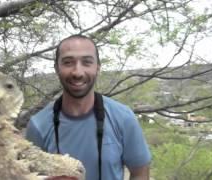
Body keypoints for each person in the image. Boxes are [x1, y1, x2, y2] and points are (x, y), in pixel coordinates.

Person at [26, 34, 151, 180]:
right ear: (56, 68)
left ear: (97, 67)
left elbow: (140, 173)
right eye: (68, 62)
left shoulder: (123, 118)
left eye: (87, 62)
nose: (77, 72)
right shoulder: (38, 125)